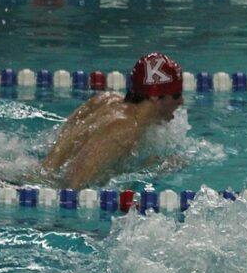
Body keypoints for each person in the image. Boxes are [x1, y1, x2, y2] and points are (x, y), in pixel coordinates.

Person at [42, 53, 185, 190]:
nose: (181, 101)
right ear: (154, 96)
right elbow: (73, 185)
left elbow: (59, 153)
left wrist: (148, 166)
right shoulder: (125, 129)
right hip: (46, 188)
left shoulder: (107, 99)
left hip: (39, 173)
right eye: (176, 95)